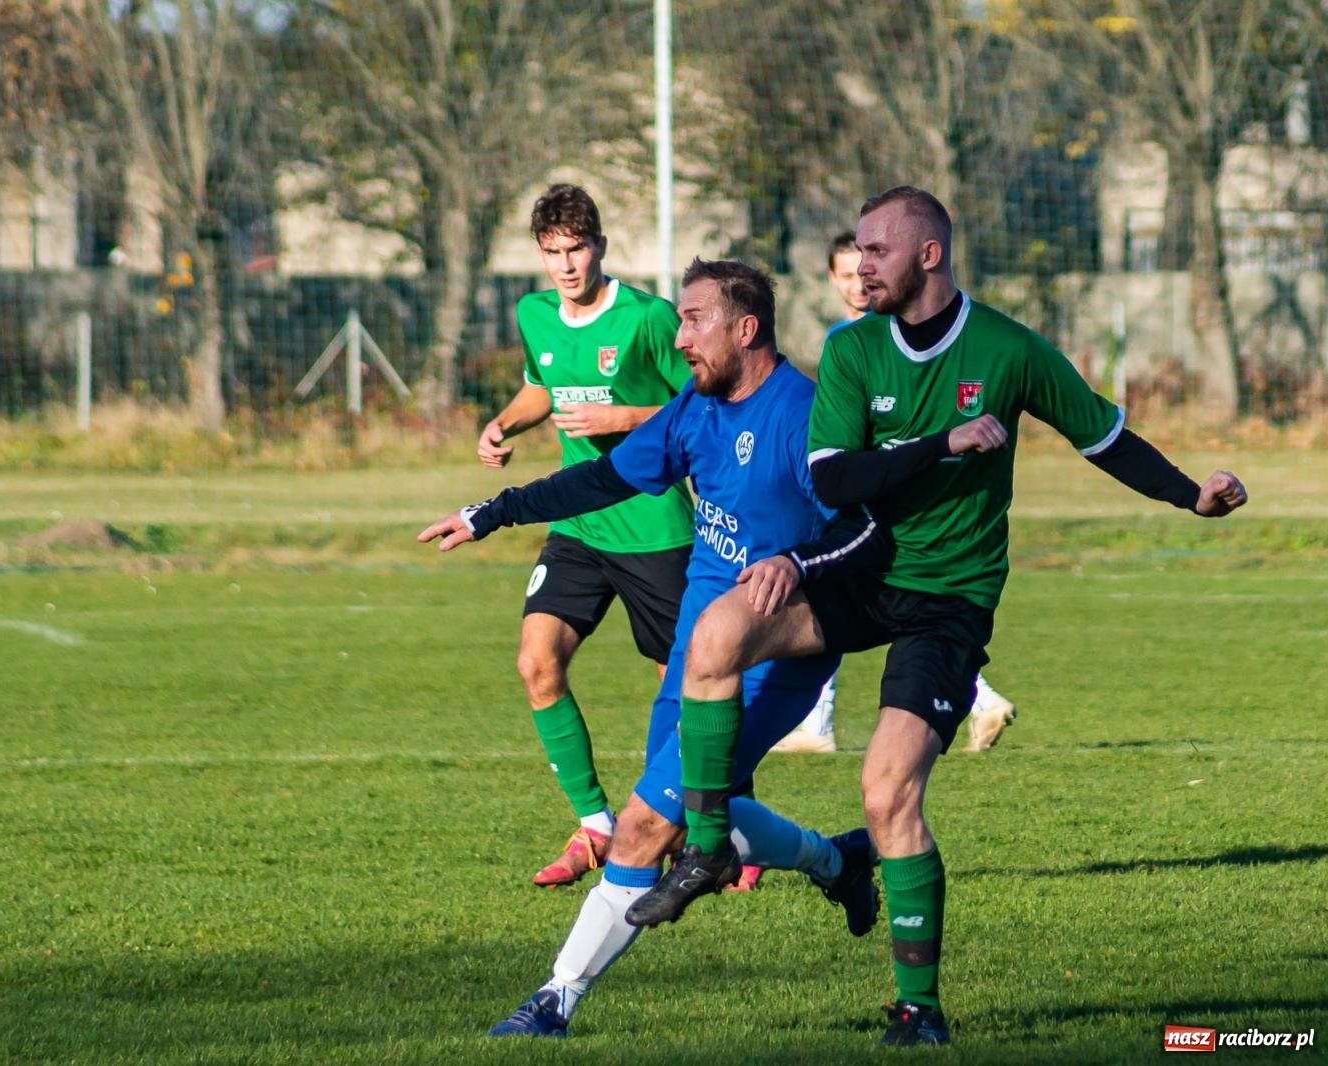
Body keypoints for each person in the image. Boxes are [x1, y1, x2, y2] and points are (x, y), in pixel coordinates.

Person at [627, 188, 1249, 1047]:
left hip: (949, 599)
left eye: (877, 250)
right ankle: (706, 847)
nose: (861, 266)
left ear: (929, 255)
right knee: (718, 633)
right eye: (858, 251)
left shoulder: (1009, 350)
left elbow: (1103, 439)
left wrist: (1190, 495)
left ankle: (918, 1009)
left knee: (886, 792)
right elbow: (836, 479)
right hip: (861, 571)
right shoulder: (852, 349)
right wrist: (943, 445)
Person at [421, 258, 889, 1037]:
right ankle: (838, 863)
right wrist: (493, 511)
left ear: (746, 329)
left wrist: (797, 564)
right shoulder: (695, 409)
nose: (678, 339)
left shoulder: (806, 417)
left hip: (771, 660)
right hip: (695, 655)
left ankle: (554, 1001)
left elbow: (867, 531)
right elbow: (601, 481)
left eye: (695, 320)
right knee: (704, 805)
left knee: (645, 823)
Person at [476, 184, 696, 888]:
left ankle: (710, 828)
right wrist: (503, 423)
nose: (566, 266)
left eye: (576, 249)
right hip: (577, 524)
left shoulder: (649, 318)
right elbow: (545, 386)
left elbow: (701, 405)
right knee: (536, 663)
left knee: (686, 692)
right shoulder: (533, 314)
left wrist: (624, 418)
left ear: (599, 245)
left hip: (654, 526)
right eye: (553, 253)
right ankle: (597, 825)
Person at [774, 232, 1016, 755]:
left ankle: (819, 724)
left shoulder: (895, 335)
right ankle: (981, 698)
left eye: (861, 269)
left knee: (848, 602)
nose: (856, 283)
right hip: (856, 487)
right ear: (833, 278)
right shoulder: (845, 337)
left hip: (881, 505)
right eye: (844, 274)